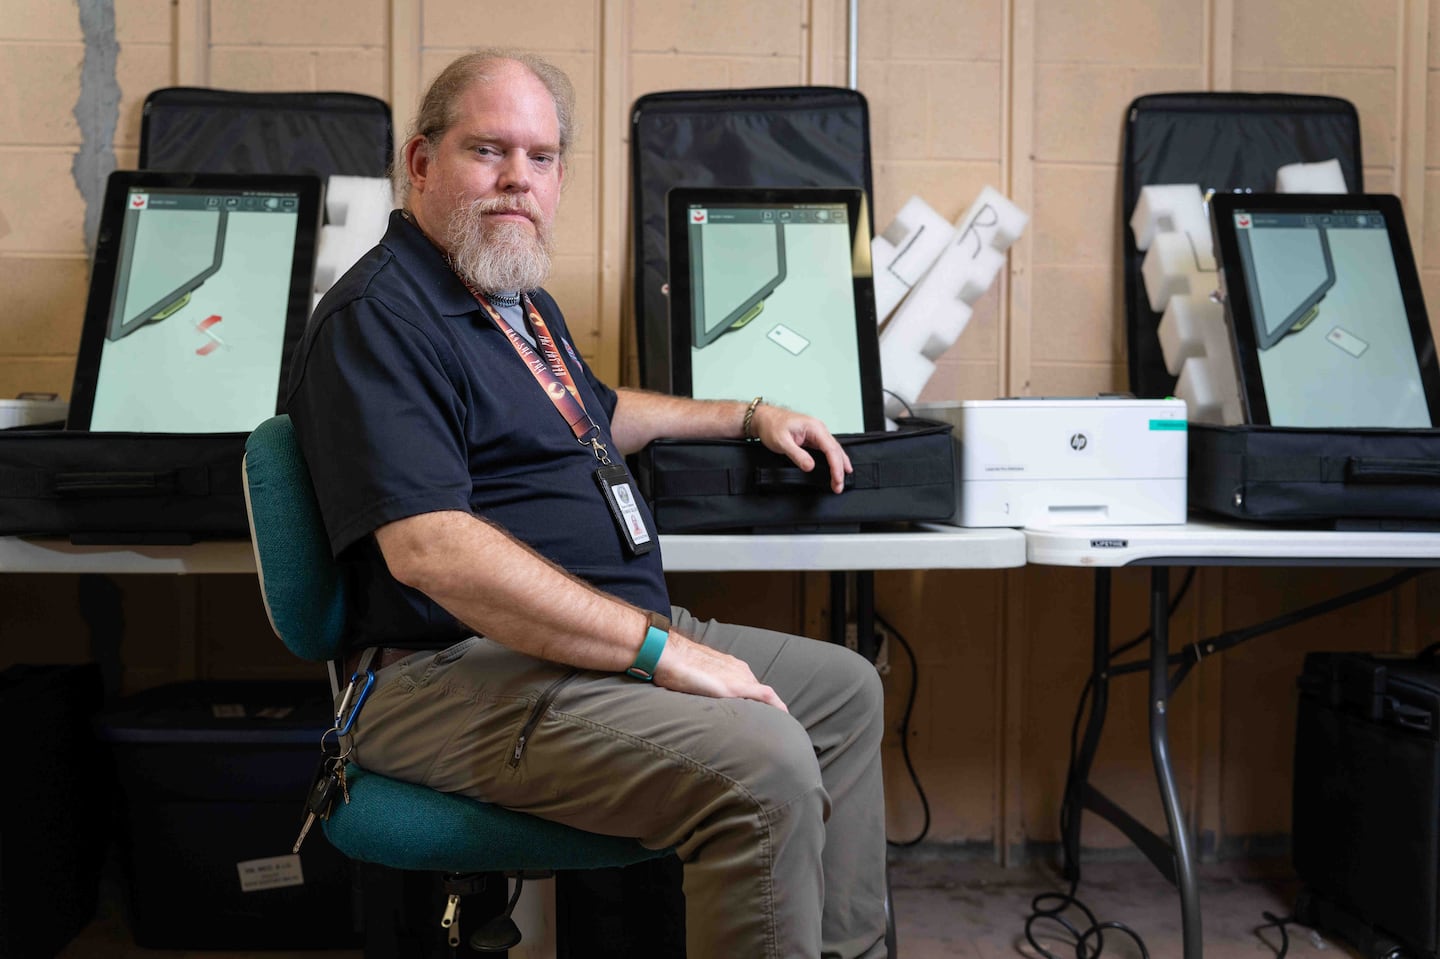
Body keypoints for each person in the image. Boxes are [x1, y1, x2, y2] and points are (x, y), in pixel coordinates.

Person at [287, 48, 888, 959]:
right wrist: (664, 652)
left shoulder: (509, 297)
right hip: (445, 673)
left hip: (586, 640)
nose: (516, 181)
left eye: (541, 158)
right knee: (763, 764)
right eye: (488, 151)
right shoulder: (384, 316)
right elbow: (432, 552)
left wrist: (748, 414)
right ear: (421, 164)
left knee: (843, 692)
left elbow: (597, 410)